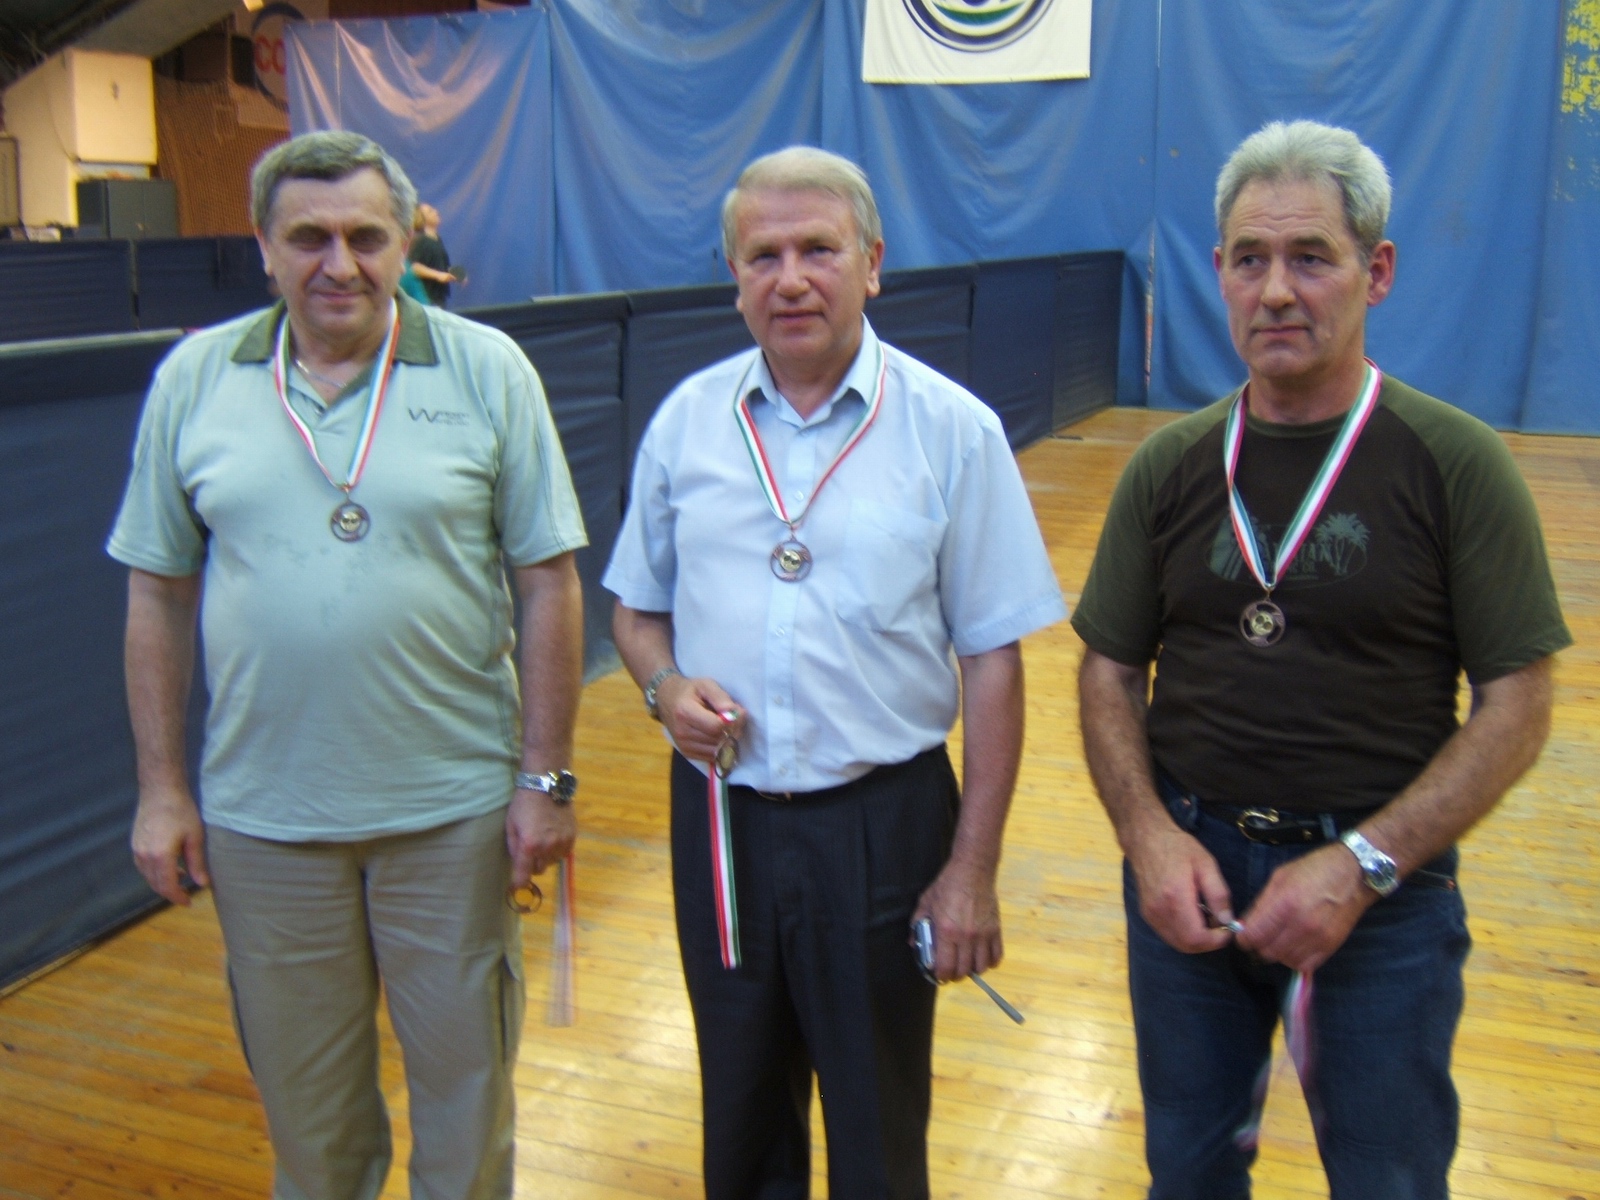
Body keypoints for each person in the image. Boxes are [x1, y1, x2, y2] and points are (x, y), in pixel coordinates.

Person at [1073, 119, 1570, 1199]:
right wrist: (1148, 838)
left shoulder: (1455, 463)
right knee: (1187, 1175)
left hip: (1384, 896)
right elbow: (1107, 671)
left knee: (1389, 1180)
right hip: (1191, 882)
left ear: (1375, 272)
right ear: (1218, 272)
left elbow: (1519, 704)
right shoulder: (1168, 466)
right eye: (1250, 260)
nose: (1276, 292)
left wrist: (1364, 865)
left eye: (1311, 258)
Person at [108, 130, 587, 1200]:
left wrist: (545, 781)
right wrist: (161, 790)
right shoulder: (195, 378)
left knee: (468, 1112)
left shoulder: (485, 369)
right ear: (263, 246)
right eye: (309, 238)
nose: (340, 264)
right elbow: (157, 592)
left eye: (367, 237)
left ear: (406, 242)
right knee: (311, 1126)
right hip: (266, 821)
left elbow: (549, 582)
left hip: (452, 814)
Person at [604, 145, 1066, 1200]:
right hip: (720, 821)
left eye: (819, 249)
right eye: (763, 256)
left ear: (873, 264)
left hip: (884, 826)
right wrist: (664, 689)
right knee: (741, 1117)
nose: (791, 279)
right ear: (734, 278)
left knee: (877, 1127)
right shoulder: (687, 422)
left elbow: (993, 663)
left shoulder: (954, 430)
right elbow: (634, 609)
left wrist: (971, 869)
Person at [402, 202, 458, 307]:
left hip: (439, 298)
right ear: (421, 218)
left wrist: (457, 274)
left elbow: (442, 266)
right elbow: (413, 267)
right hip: (426, 299)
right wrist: (438, 275)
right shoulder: (420, 240)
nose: (436, 211)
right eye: (430, 211)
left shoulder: (437, 240)